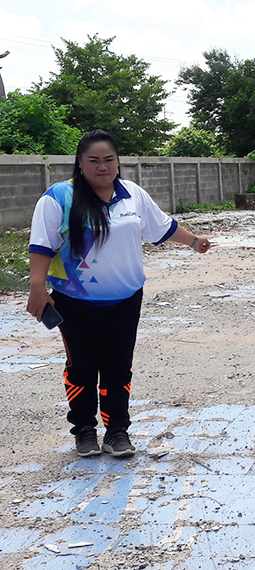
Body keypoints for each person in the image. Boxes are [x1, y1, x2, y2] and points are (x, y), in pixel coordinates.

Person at [27, 130, 212, 458]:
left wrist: (194, 241)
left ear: (118, 162)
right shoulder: (59, 197)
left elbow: (161, 227)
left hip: (126, 300)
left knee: (117, 366)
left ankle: (116, 432)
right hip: (74, 301)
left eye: (109, 160)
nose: (102, 167)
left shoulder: (132, 195)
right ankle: (84, 431)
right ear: (80, 164)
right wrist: (37, 289)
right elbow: (41, 246)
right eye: (93, 161)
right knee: (81, 367)